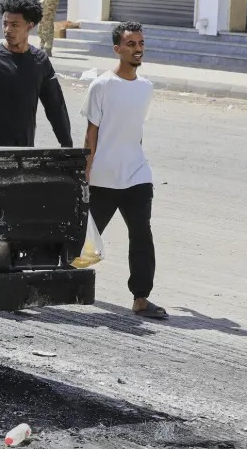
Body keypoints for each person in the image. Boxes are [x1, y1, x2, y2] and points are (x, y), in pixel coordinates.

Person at [81, 21, 166, 319]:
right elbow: (91, 134)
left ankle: (141, 297)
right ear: (117, 49)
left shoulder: (146, 88)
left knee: (142, 234)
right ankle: (52, 282)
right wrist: (85, 174)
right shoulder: (101, 85)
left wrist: (136, 159)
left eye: (141, 43)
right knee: (86, 239)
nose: (137, 49)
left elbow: (135, 131)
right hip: (103, 177)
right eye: (131, 44)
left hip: (136, 175)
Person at [0, 0, 72, 148]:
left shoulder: (40, 61)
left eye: (14, 25)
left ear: (30, 26)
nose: (7, 30)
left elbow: (56, 107)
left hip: (25, 150)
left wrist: (67, 146)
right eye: (5, 23)